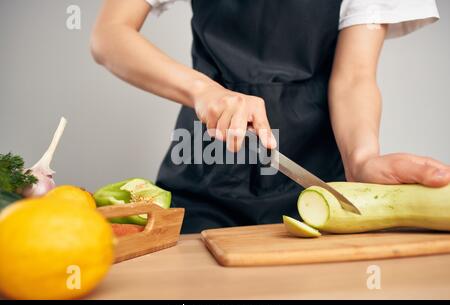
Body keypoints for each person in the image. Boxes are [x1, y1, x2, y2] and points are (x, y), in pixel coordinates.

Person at [91, 0, 450, 233]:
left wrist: (362, 160)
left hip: (317, 188)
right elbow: (110, 34)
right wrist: (205, 92)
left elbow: (355, 76)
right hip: (203, 177)